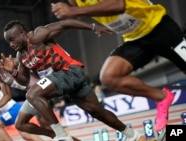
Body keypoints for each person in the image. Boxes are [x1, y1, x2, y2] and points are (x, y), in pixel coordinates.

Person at [50, 0, 186, 132]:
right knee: (109, 77)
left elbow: (118, 4)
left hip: (159, 27)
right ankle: (161, 97)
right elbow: (75, 12)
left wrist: (72, 10)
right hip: (134, 39)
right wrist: (64, 12)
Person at [0, 18, 144, 141]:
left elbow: (65, 23)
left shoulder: (37, 35)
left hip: (70, 72)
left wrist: (93, 27)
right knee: (97, 112)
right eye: (7, 42)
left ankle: (62, 136)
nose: (11, 44)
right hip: (61, 82)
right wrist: (13, 72)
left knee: (32, 94)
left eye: (12, 39)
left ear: (22, 33)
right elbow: (24, 80)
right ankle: (134, 135)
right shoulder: (20, 56)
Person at [0, 52, 80, 141]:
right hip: (34, 97)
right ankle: (54, 134)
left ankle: (53, 134)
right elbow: (7, 96)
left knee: (21, 124)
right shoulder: (0, 76)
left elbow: (32, 65)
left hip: (41, 91)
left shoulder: (11, 62)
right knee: (38, 127)